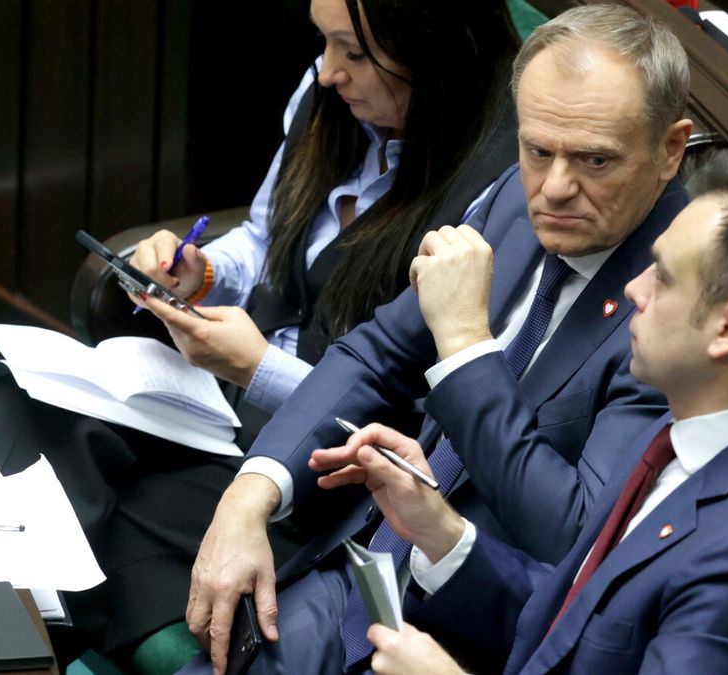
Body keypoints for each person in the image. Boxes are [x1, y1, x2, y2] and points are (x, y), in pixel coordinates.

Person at [0, 0, 521, 658]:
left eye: (353, 51)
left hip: (322, 469)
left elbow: (415, 421)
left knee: (91, 511)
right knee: (25, 400)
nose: (328, 73)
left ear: (433, 50)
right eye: (325, 43)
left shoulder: (495, 188)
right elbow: (263, 238)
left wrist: (258, 368)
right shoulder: (331, 103)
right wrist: (197, 275)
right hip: (226, 402)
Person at [181, 5, 692, 674]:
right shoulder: (515, 195)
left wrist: (466, 348)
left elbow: (575, 530)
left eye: (596, 160)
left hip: (481, 629)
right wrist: (250, 495)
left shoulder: (680, 296)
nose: (557, 188)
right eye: (538, 150)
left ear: (670, 150)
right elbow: (375, 350)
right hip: (364, 564)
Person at [327, 149, 728, 674]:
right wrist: (441, 531)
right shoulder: (699, 418)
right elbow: (587, 623)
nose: (633, 288)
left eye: (662, 275)